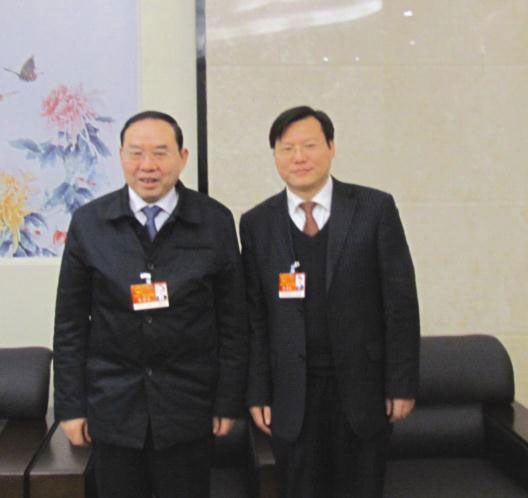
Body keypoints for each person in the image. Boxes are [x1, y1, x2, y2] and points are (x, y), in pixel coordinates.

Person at [53, 110, 247, 498]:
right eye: (136, 153)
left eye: (160, 153)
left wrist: (228, 401)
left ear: (182, 157)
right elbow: (71, 323)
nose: (147, 165)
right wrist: (70, 407)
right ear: (121, 156)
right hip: (113, 407)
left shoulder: (214, 221)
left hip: (188, 407)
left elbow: (234, 322)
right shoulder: (90, 223)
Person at [240, 106, 420, 498]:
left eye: (309, 145)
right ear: (275, 155)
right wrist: (257, 391)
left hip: (362, 390)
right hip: (292, 394)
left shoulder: (374, 209)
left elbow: (401, 303)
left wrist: (402, 383)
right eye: (287, 148)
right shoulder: (256, 223)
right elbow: (255, 316)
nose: (299, 157)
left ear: (331, 147)